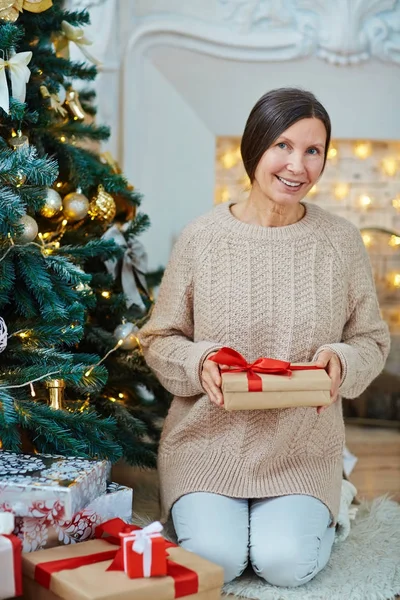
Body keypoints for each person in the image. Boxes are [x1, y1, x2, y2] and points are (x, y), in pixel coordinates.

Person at [138, 88, 390, 587]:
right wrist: (199, 361)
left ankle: (329, 493)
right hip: (207, 445)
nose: (297, 165)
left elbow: (372, 339)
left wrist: (341, 359)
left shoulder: (341, 241)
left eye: (313, 150)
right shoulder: (201, 237)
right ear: (254, 147)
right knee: (219, 561)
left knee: (284, 565)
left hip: (301, 450)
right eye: (283, 145)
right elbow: (160, 337)